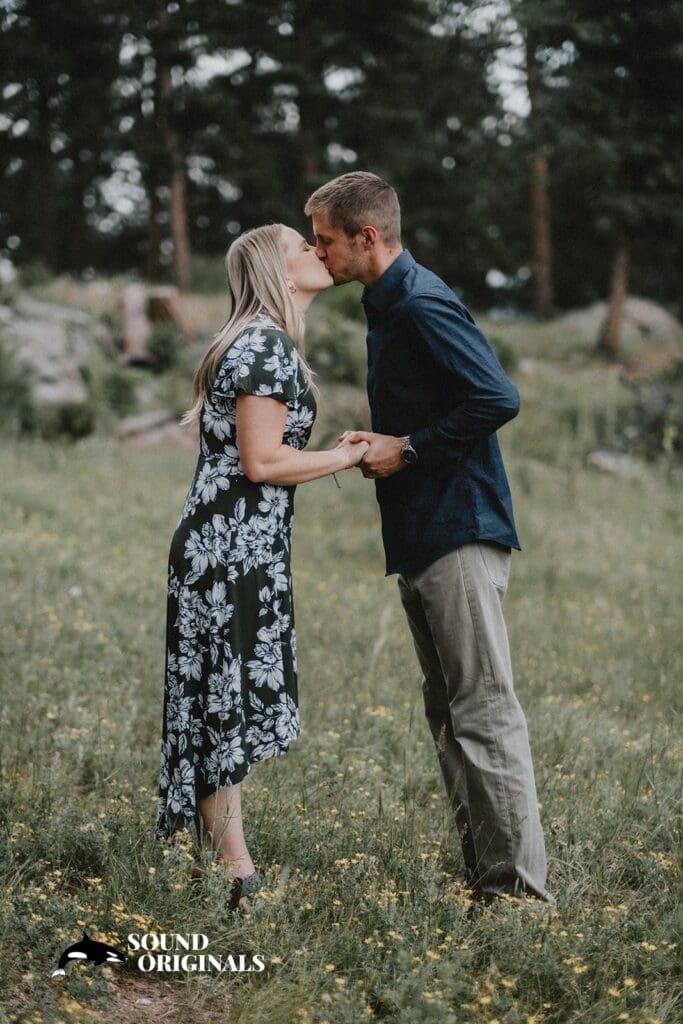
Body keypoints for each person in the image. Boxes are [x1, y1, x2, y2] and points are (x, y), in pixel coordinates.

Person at [304, 172, 551, 906]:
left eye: (324, 240)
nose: (317, 253)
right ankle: (487, 882)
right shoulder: (385, 305)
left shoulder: (419, 301)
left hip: (458, 528)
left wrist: (407, 449)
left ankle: (517, 899)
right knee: (447, 713)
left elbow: (497, 397)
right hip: (421, 533)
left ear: (366, 237)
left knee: (483, 711)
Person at [154, 223, 368, 907]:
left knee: (222, 701)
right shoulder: (265, 346)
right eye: (302, 246)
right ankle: (235, 874)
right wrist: (349, 455)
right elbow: (263, 462)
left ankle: (221, 865)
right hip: (229, 553)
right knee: (224, 703)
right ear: (278, 268)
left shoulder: (258, 343)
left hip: (234, 549)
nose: (316, 250)